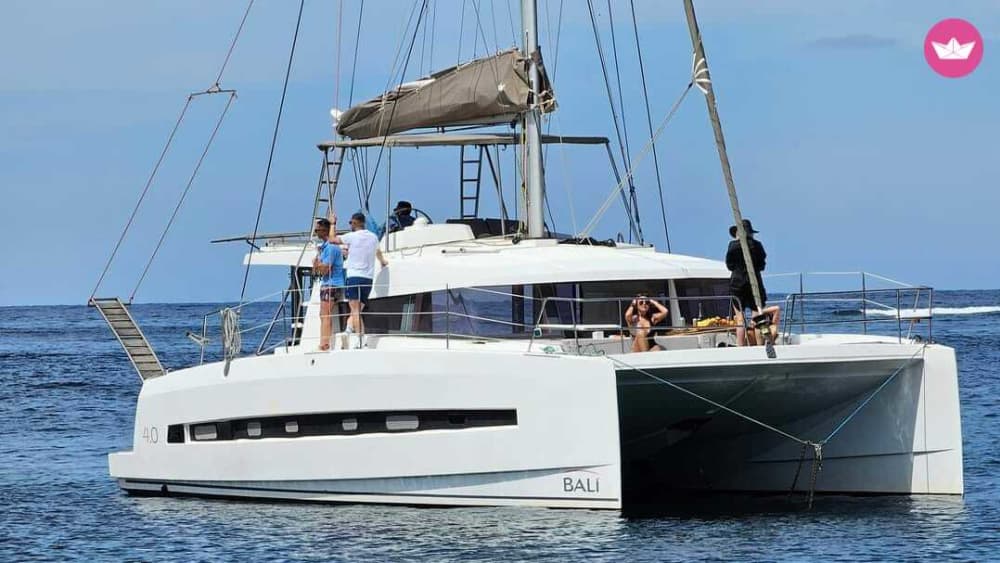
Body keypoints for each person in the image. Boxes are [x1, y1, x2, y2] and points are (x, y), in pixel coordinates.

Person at [328, 212, 388, 348]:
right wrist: (383, 262)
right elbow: (377, 252)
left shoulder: (352, 237)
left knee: (355, 310)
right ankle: (348, 331)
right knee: (357, 309)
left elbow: (332, 239)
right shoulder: (373, 237)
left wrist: (332, 223)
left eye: (351, 223)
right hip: (368, 278)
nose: (350, 225)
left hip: (354, 277)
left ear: (356, 223)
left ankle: (361, 340)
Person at [725, 219, 778, 346]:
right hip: (755, 282)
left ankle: (740, 346)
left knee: (740, 318)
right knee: (758, 316)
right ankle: (760, 345)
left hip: (737, 283)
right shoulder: (757, 245)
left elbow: (730, 265)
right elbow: (762, 265)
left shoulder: (732, 246)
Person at [311, 218, 345, 350]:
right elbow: (318, 270)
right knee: (323, 314)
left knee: (325, 314)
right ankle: (324, 342)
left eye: (317, 230)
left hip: (332, 284)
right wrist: (318, 264)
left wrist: (317, 263)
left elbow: (325, 269)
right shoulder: (325, 248)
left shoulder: (330, 248)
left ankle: (325, 343)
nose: (316, 232)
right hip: (328, 283)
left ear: (324, 230)